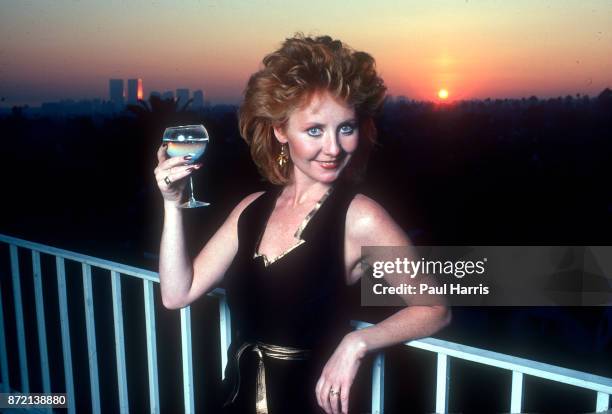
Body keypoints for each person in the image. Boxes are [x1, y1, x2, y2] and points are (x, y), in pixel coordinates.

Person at [154, 34, 450, 414]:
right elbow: (177, 293)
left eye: (346, 127)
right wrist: (172, 206)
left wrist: (358, 344)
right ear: (280, 131)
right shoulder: (251, 209)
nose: (334, 147)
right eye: (315, 130)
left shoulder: (360, 217)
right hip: (233, 400)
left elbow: (435, 308)